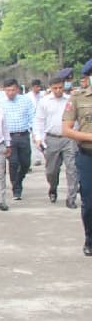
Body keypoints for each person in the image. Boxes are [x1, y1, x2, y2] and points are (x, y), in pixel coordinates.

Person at [62, 58, 92, 256]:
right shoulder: (77, 98)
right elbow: (66, 129)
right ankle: (90, 238)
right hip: (87, 155)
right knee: (89, 202)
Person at [34, 76, 78, 208]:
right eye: (55, 88)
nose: (58, 90)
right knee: (51, 170)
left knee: (72, 169)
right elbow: (39, 121)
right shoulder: (44, 102)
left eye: (60, 87)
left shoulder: (70, 100)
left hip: (69, 138)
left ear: (64, 86)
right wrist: (38, 138)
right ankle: (53, 187)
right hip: (52, 138)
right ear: (50, 88)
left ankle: (71, 198)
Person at [1, 78, 35, 200]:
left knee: (26, 163)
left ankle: (19, 179)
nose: (11, 92)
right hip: (9, 138)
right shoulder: (0, 103)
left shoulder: (26, 101)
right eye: (8, 90)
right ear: (4, 90)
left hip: (23, 136)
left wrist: (35, 133)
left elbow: (32, 117)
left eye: (13, 90)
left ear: (17, 89)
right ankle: (16, 189)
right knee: (13, 162)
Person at [28, 79, 45, 167]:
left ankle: (46, 156)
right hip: (32, 120)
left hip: (43, 119)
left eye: (39, 87)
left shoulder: (43, 95)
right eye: (36, 87)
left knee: (43, 138)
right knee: (33, 140)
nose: (37, 88)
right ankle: (37, 158)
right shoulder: (27, 97)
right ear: (32, 87)